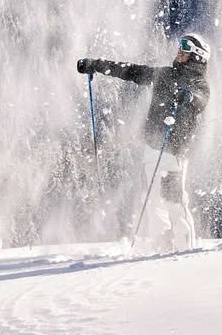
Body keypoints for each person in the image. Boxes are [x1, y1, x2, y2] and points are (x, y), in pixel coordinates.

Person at [77, 33, 211, 250]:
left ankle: (185, 249)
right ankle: (162, 247)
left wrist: (188, 97)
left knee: (174, 202)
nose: (179, 49)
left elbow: (201, 100)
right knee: (152, 202)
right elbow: (131, 70)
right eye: (180, 45)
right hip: (153, 148)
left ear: (198, 55)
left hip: (174, 152)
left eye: (185, 47)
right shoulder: (165, 75)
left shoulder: (199, 83)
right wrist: (96, 65)